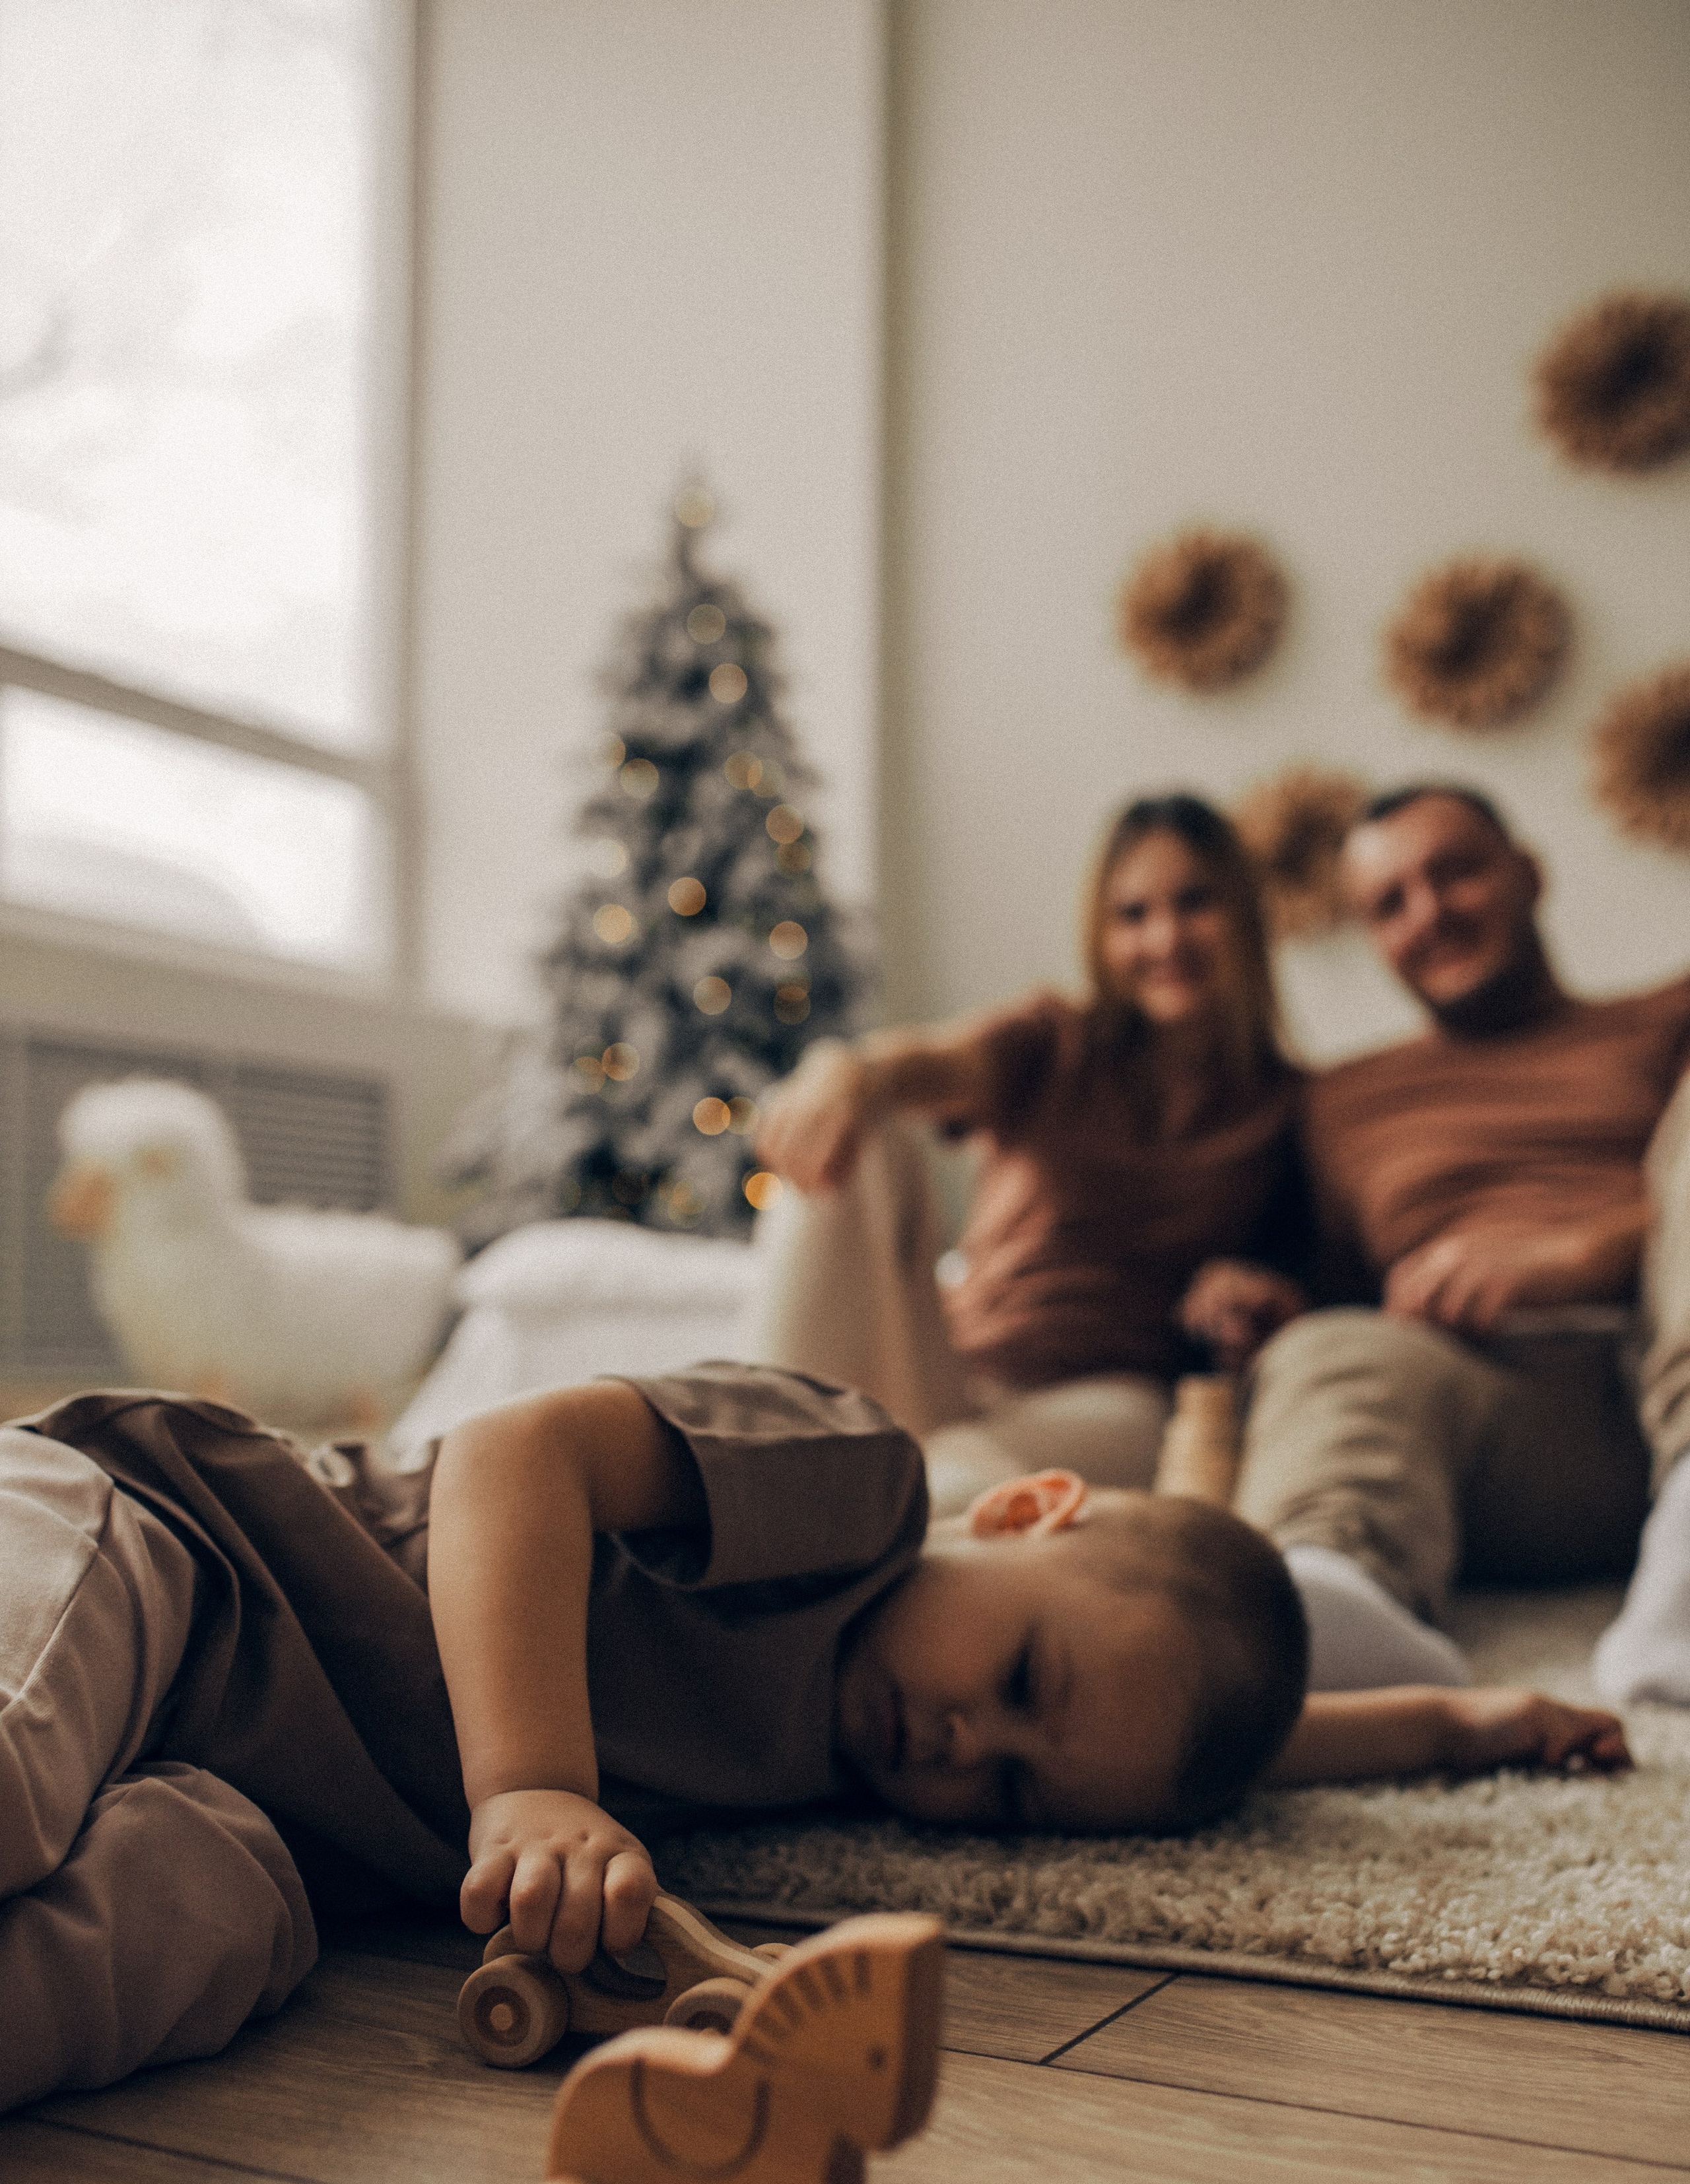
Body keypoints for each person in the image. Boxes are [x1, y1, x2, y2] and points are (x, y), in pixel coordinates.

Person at [0, 1367, 1625, 2113]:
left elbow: (1188, 1750)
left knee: (155, 1953)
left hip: (274, 1820)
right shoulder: (850, 1486)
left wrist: (1454, 1722)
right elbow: (512, 1453)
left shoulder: (938, 1746)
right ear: (1025, 1510)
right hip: (176, 1553)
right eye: (1018, 1677)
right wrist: (535, 1784)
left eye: (1009, 1792)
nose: (962, 1742)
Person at [1231, 783, 1690, 1698]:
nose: (1428, 914)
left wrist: (1584, 1253)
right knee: (1330, 1346)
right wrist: (1254, 1296)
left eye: (1456, 873)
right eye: (1389, 904)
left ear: (1529, 874)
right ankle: (1334, 1601)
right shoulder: (1338, 1101)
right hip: (1496, 1418)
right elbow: (1331, 1292)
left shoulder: (1665, 1018)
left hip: (1656, 1347)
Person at [748, 795, 1308, 1511]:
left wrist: (1257, 1292)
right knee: (867, 1134)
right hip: (956, 1369)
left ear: (1246, 915)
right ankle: (753, 1461)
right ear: (1100, 933)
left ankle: (858, 1503)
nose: (1165, 939)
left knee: (952, 1475)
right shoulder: (1056, 1040)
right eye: (1132, 914)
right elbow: (940, 1062)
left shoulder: (1288, 1106)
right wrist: (848, 1072)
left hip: (1114, 1397)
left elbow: (1310, 1276)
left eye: (1195, 903)